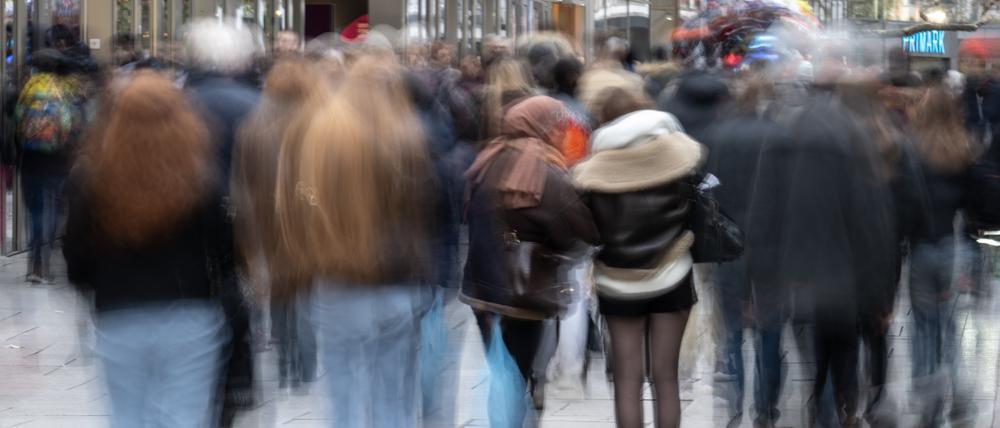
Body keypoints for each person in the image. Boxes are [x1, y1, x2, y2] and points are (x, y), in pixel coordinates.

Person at [273, 56, 436, 428]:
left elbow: (300, 206)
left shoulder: (325, 138)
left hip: (339, 282)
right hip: (399, 281)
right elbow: (430, 212)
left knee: (344, 393)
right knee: (394, 394)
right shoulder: (411, 137)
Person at [63, 71, 229, 428]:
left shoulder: (92, 180)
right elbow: (224, 248)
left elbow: (75, 252)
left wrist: (93, 286)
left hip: (118, 311)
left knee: (127, 416)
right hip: (189, 310)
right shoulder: (200, 177)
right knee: (185, 415)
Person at [461, 95, 598, 424]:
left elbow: (489, 225)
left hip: (481, 287)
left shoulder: (486, 160)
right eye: (558, 126)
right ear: (545, 127)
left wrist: (510, 239)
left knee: (502, 368)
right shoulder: (544, 172)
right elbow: (578, 233)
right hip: (526, 291)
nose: (562, 133)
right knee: (523, 372)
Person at [573, 91, 702, 428]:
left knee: (627, 379)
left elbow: (586, 230)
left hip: (616, 282)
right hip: (673, 274)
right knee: (666, 377)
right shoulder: (677, 157)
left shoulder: (593, 171)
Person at [182, 19, 261, 426]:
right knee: (234, 306)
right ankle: (233, 385)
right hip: (237, 229)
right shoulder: (251, 104)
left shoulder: (175, 101)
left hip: (182, 235)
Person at [232, 57, 326, 390]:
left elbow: (241, 184)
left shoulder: (252, 127)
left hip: (267, 221)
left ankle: (286, 360)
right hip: (309, 222)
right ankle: (305, 366)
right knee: (306, 295)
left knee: (280, 292)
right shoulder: (321, 124)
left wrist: (247, 233)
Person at [906, 84, 976, 427]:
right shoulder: (963, 149)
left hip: (921, 248)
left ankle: (927, 397)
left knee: (923, 327)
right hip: (953, 246)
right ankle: (959, 389)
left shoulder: (912, 150)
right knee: (949, 328)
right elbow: (972, 206)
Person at [15, 48, 84, 283]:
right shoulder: (64, 92)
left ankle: (34, 265)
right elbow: (72, 127)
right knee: (53, 209)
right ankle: (46, 262)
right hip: (58, 161)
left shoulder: (26, 91)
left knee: (34, 212)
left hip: (30, 161)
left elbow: (16, 125)